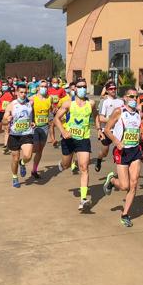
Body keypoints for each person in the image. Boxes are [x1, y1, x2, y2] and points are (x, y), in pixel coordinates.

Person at [54, 78, 97, 210]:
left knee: (84, 167)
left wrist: (99, 128)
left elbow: (95, 116)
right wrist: (63, 131)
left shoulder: (91, 103)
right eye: (80, 87)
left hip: (83, 139)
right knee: (67, 164)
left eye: (84, 86)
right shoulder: (68, 104)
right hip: (69, 139)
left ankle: (83, 199)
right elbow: (56, 119)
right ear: (75, 89)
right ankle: (62, 164)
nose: (82, 89)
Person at [103, 88, 143, 226]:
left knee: (134, 183)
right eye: (131, 96)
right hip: (122, 151)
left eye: (136, 97)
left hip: (135, 150)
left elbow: (138, 130)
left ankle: (125, 214)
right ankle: (112, 180)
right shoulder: (119, 112)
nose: (134, 99)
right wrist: (116, 142)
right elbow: (107, 130)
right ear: (125, 98)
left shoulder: (139, 113)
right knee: (125, 186)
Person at [3, 84, 34, 188]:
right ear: (16, 92)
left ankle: (23, 163)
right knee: (15, 159)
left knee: (28, 156)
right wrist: (6, 120)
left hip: (27, 133)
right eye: (21, 92)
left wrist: (32, 122)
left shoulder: (30, 103)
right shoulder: (11, 105)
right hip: (14, 135)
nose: (23, 94)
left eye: (25, 92)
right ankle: (15, 176)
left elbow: (31, 115)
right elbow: (3, 121)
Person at [95, 81, 123, 172]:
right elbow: (100, 118)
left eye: (115, 88)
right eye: (111, 89)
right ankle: (99, 159)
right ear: (107, 90)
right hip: (106, 130)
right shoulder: (104, 101)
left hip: (118, 131)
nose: (113, 90)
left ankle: (119, 172)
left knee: (121, 150)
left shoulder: (121, 101)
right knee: (105, 152)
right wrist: (113, 120)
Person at [30, 81, 52, 178]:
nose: (44, 88)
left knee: (40, 150)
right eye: (42, 86)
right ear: (38, 88)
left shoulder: (49, 98)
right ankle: (25, 158)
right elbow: (27, 111)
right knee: (35, 148)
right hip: (35, 127)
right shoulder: (33, 98)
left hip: (45, 127)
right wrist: (30, 121)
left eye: (46, 86)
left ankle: (34, 170)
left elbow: (50, 111)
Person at [48, 77, 67, 147]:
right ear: (51, 83)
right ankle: (53, 140)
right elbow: (47, 99)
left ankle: (64, 134)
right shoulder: (49, 90)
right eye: (54, 82)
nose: (55, 84)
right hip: (51, 109)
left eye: (57, 82)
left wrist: (58, 107)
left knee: (62, 123)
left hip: (59, 109)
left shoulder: (61, 90)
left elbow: (64, 99)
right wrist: (52, 107)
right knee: (51, 124)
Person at [0, 82, 15, 153]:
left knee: (7, 130)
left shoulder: (12, 95)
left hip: (7, 113)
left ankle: (6, 145)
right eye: (3, 85)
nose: (4, 86)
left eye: (5, 85)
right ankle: (6, 143)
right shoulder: (0, 93)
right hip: (0, 113)